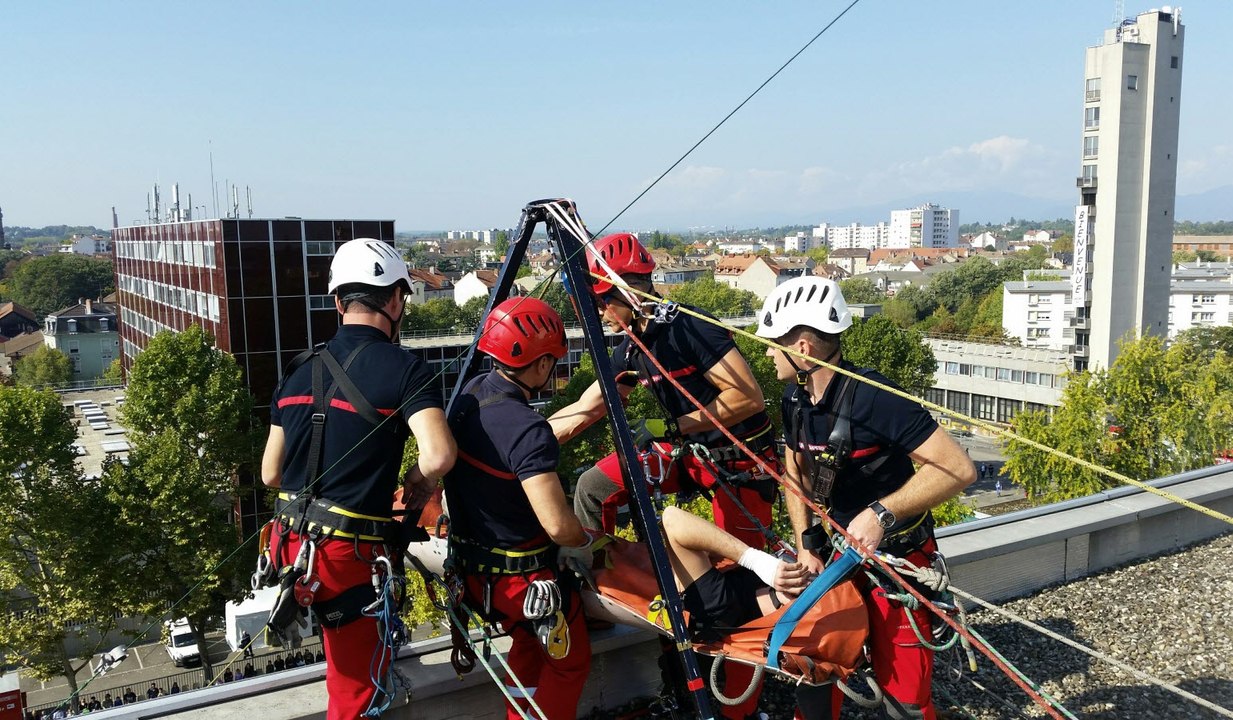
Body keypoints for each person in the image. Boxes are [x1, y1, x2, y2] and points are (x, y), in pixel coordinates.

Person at [549, 232, 780, 718]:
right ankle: (604, 593)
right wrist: (524, 442)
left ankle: (735, 693)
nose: (604, 318)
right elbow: (589, 407)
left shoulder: (690, 329)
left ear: (626, 290)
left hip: (740, 462)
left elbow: (747, 398)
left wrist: (668, 427)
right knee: (596, 485)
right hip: (690, 452)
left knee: (734, 574)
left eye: (603, 306)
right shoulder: (633, 342)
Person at [755, 277, 976, 720]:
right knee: (815, 673)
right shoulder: (794, 399)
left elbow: (958, 468)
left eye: (771, 344)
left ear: (802, 347)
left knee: (906, 701)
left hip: (898, 564)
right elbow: (795, 472)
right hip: (838, 558)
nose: (765, 352)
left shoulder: (876, 398)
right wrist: (805, 542)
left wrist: (882, 514)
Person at [261, 238, 457, 719]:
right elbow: (440, 454)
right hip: (345, 556)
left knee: (350, 669)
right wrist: (416, 480)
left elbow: (270, 474)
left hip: (289, 543)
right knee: (356, 691)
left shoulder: (296, 370)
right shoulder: (406, 368)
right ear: (394, 300)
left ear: (337, 302)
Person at [443, 297, 594, 720]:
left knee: (528, 646)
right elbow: (558, 525)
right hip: (525, 584)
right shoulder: (527, 428)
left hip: (475, 576)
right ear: (541, 364)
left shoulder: (468, 396)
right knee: (570, 664)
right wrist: (583, 542)